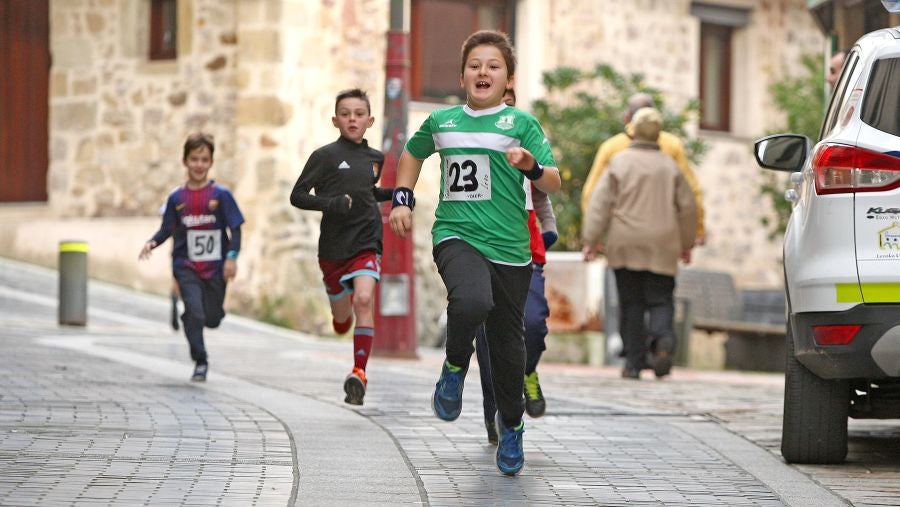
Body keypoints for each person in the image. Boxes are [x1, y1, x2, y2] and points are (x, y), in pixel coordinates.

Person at [388, 30, 561, 476]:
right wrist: (402, 198)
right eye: (475, 65)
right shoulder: (443, 121)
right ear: (463, 74)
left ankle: (512, 426)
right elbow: (412, 153)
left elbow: (554, 182)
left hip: (511, 249)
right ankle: (453, 368)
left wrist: (532, 166)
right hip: (456, 235)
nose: (483, 72)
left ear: (508, 79)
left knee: (508, 348)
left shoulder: (522, 124)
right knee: (470, 299)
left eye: (493, 66)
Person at [289, 88, 391, 407]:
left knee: (364, 299)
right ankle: (340, 313)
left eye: (359, 114)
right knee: (342, 317)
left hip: (366, 240)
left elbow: (366, 193)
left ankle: (358, 372)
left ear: (370, 120)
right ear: (335, 120)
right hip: (333, 248)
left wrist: (397, 195)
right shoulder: (324, 156)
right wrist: (331, 204)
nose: (352, 119)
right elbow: (298, 195)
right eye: (345, 114)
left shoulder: (376, 158)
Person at [581, 107, 697, 379]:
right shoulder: (670, 166)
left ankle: (633, 363)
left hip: (625, 242)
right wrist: (687, 242)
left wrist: (591, 240)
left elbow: (600, 205)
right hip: (663, 244)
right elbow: (688, 207)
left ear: (632, 129)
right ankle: (662, 339)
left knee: (631, 302)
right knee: (660, 298)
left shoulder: (619, 162)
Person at [475, 87, 558, 445]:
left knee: (533, 324)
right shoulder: (472, 141)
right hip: (480, 246)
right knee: (487, 334)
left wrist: (550, 229)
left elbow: (540, 189)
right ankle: (496, 410)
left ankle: (527, 370)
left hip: (526, 249)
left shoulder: (523, 141)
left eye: (507, 100)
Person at [139, 133, 245, 382]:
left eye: (204, 159)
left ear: (211, 163)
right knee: (196, 314)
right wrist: (152, 242)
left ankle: (189, 317)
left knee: (212, 318)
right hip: (186, 266)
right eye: (194, 159)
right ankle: (201, 360)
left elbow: (236, 229)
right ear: (185, 161)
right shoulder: (177, 198)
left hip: (216, 267)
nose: (199, 164)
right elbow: (167, 229)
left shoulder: (221, 196)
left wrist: (232, 258)